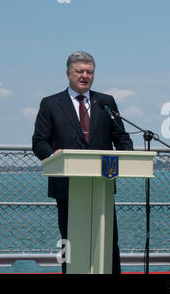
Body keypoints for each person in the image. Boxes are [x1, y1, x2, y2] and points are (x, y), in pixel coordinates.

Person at [32, 51, 133, 274]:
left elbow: (122, 138)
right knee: (71, 242)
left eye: (89, 72)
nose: (85, 76)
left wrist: (126, 156)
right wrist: (54, 155)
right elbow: (39, 142)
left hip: (102, 186)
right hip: (67, 186)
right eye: (80, 71)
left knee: (108, 241)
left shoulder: (105, 102)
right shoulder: (50, 104)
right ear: (68, 73)